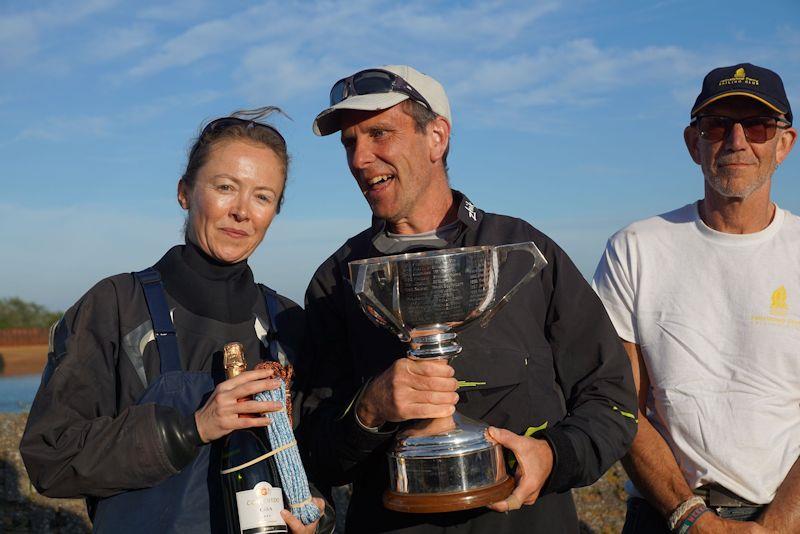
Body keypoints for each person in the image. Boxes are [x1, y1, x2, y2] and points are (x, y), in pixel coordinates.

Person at [297, 65, 638, 533]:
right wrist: (368, 410)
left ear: (436, 136)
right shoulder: (337, 281)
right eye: (349, 143)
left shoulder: (525, 255)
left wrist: (553, 457)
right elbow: (314, 453)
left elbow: (611, 397)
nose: (360, 158)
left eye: (379, 133)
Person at [20, 108, 329, 534]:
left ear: (275, 211)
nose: (242, 211)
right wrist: (192, 429)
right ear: (185, 192)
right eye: (224, 187)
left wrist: (316, 512)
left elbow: (316, 459)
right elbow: (50, 458)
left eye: (262, 196)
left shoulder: (289, 324)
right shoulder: (116, 305)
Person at [592, 63, 799, 533]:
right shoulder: (636, 248)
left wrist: (778, 525)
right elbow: (621, 402)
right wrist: (692, 518)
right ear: (694, 143)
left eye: (759, 126)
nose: (737, 141)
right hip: (666, 513)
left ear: (785, 144)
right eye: (718, 125)